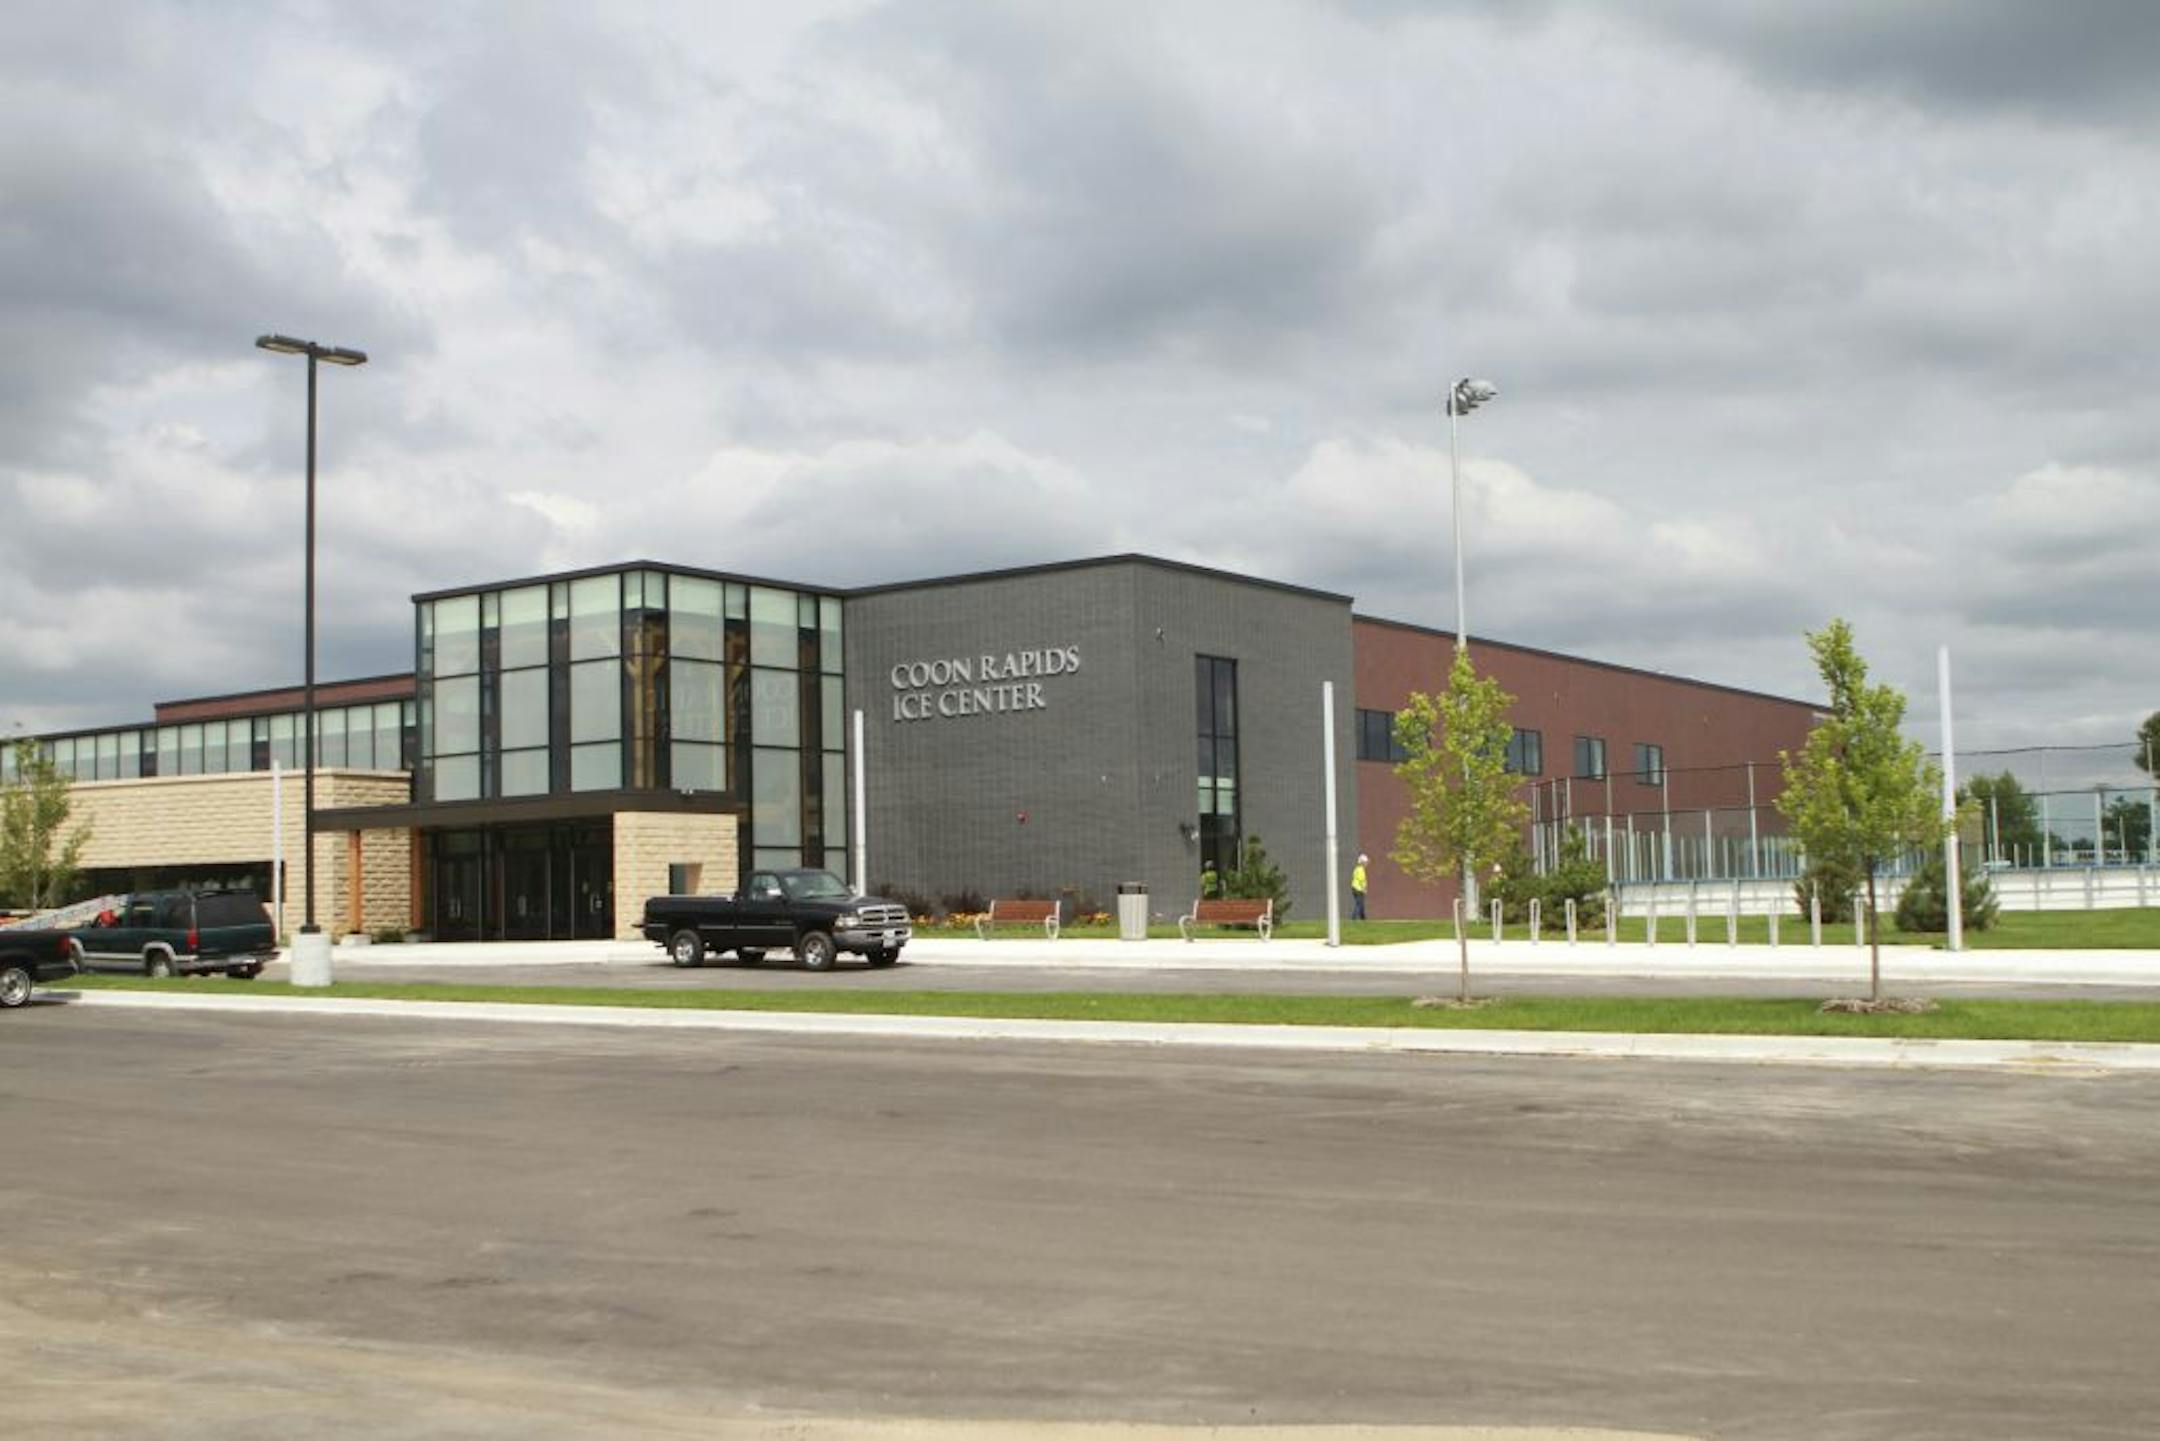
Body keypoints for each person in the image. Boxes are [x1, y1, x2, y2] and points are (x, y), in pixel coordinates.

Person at [1350, 853, 1369, 920]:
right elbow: (1362, 880)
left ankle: (1363, 918)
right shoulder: (1361, 870)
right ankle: (1353, 918)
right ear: (1362, 862)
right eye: (1366, 862)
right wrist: (1364, 889)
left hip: (1354, 888)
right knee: (1359, 904)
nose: (1367, 864)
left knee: (1361, 904)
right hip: (1358, 889)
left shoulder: (1356, 869)